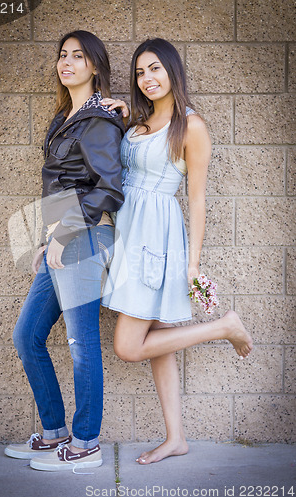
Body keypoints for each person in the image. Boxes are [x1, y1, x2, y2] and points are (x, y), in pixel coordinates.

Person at [101, 38, 253, 465]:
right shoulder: (139, 122)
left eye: (155, 69)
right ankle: (176, 438)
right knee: (158, 343)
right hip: (128, 237)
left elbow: (198, 199)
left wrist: (192, 266)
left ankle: (223, 327)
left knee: (129, 346)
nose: (147, 79)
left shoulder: (191, 126)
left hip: (155, 241)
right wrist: (123, 114)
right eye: (139, 72)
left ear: (172, 70)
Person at [4, 30, 125, 472]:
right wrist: (46, 239)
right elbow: (64, 184)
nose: (67, 62)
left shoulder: (98, 120)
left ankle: (86, 442)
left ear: (95, 66)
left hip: (85, 238)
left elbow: (109, 189)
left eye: (78, 56)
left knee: (80, 343)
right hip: (62, 241)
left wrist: (62, 233)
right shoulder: (65, 117)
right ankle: (54, 432)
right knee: (27, 335)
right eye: (62, 55)